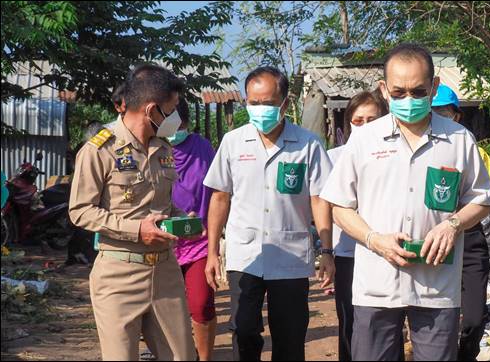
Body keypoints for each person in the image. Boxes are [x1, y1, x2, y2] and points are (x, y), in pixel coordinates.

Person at [320, 43, 490, 361]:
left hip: (436, 285)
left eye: (418, 91)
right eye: (399, 92)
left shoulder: (459, 140)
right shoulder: (364, 140)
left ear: (434, 87)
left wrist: (453, 225)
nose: (409, 100)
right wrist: (375, 240)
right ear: (384, 90)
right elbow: (339, 206)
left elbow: (482, 199)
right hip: (376, 283)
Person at [203, 66, 335, 361]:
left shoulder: (308, 144)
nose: (260, 109)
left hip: (291, 256)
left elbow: (320, 200)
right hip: (245, 255)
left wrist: (326, 249)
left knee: (290, 336)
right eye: (254, 103)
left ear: (285, 104)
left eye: (268, 103)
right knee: (244, 329)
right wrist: (212, 252)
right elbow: (220, 198)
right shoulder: (233, 142)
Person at [68, 63, 197, 361]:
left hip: (165, 272)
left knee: (182, 357)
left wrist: (180, 219)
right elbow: (80, 211)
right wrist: (137, 229)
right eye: (172, 108)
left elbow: (162, 204)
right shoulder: (101, 150)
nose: (176, 116)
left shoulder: (163, 148)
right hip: (119, 275)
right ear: (153, 110)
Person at [431, 83, 490, 360]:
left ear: (456, 116)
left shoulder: (473, 150)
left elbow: (489, 196)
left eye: (444, 113)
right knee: (437, 317)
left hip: (469, 237)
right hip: (432, 241)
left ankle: (466, 354)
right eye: (434, 112)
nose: (438, 117)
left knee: (473, 316)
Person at [328, 89, 388, 361]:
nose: (364, 126)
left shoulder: (394, 155)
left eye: (372, 120)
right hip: (348, 253)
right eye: (358, 120)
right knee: (349, 323)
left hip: (386, 253)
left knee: (386, 325)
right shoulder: (332, 158)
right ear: (348, 122)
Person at [169, 97, 217, 360]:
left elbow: (218, 192)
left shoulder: (203, 148)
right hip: (161, 241)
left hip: (199, 241)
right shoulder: (150, 148)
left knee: (201, 305)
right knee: (168, 309)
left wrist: (214, 228)